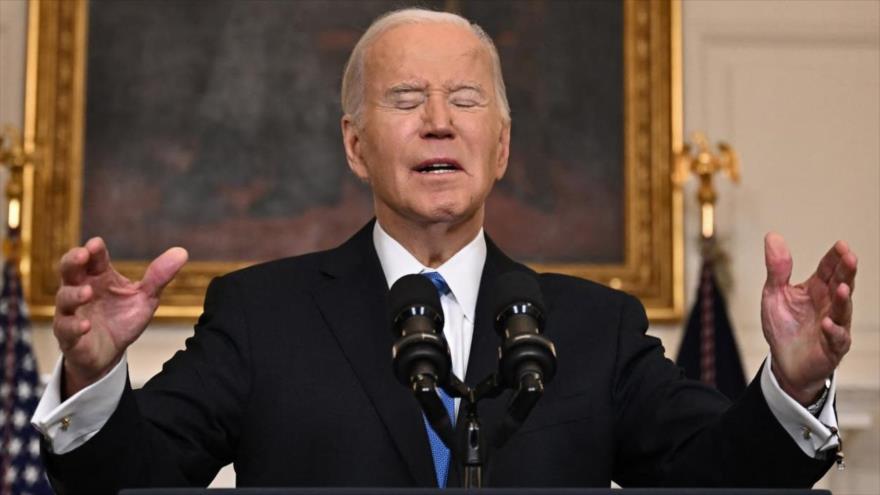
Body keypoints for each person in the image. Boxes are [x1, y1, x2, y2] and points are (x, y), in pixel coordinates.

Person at [33, 8, 857, 494]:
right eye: (405, 99)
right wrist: (95, 376)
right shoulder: (260, 316)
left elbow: (720, 480)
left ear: (499, 147)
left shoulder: (594, 326)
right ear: (356, 146)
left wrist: (793, 382)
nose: (438, 120)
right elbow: (128, 483)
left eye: (465, 99)